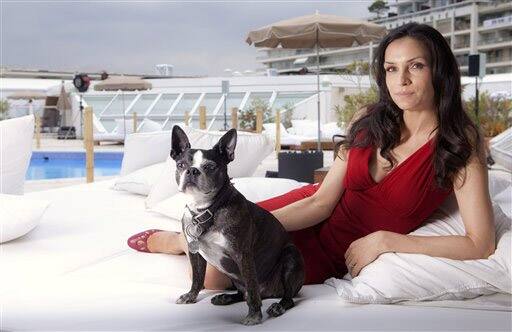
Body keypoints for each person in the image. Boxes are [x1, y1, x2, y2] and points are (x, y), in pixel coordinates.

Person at [127, 23, 495, 290]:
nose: (401, 80)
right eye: (391, 68)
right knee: (220, 259)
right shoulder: (369, 120)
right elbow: (320, 201)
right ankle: (183, 239)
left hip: (337, 249)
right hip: (308, 208)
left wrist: (386, 241)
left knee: (214, 281)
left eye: (416, 66)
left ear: (439, 71)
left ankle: (189, 239)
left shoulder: (459, 144)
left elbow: (480, 243)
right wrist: (252, 229)